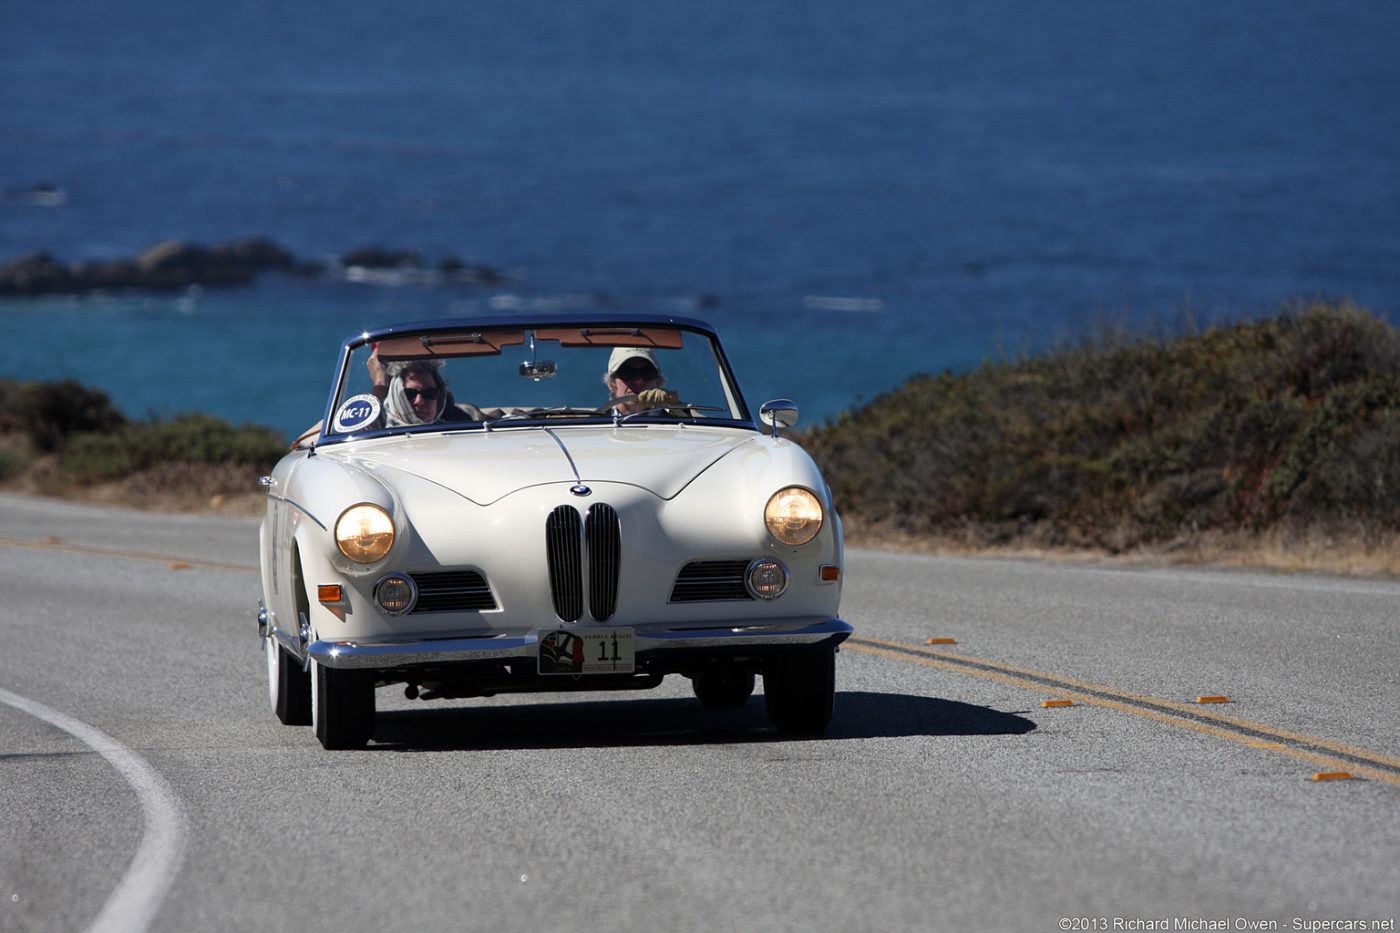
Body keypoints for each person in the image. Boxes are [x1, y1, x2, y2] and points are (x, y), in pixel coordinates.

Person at [367, 348, 481, 426]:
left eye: (429, 394)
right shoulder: (373, 425)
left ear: (439, 397)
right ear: (397, 396)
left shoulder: (466, 421)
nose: (419, 401)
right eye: (409, 394)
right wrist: (380, 383)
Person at [603, 347, 682, 414]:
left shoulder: (677, 423)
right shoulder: (593, 426)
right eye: (627, 372)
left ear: (657, 382)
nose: (639, 381)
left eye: (647, 372)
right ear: (612, 383)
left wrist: (676, 408)